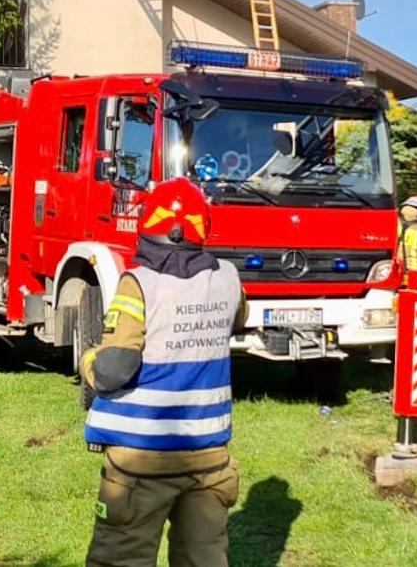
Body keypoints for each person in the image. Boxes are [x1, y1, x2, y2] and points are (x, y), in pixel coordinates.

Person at [81, 177, 245, 567]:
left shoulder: (139, 284)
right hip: (208, 457)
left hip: (142, 460)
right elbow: (236, 321)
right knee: (203, 558)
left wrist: (89, 360)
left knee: (122, 559)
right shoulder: (228, 278)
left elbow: (114, 370)